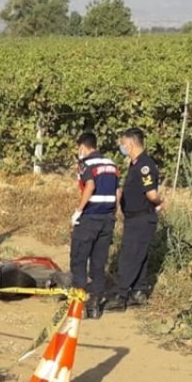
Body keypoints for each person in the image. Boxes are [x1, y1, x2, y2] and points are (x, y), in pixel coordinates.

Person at [113, 127, 165, 310]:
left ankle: (121, 295)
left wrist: (160, 201)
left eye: (122, 144)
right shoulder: (135, 164)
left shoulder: (144, 165)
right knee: (139, 256)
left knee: (129, 256)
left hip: (141, 219)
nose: (122, 148)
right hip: (135, 218)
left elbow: (151, 194)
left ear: (131, 143)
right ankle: (138, 292)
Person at [69, 131, 118, 319]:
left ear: (83, 147)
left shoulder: (85, 164)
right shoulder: (111, 165)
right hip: (107, 220)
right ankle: (95, 304)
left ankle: (78, 304)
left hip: (89, 218)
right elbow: (118, 192)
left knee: (79, 259)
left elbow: (89, 186)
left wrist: (78, 211)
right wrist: (113, 214)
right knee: (98, 263)